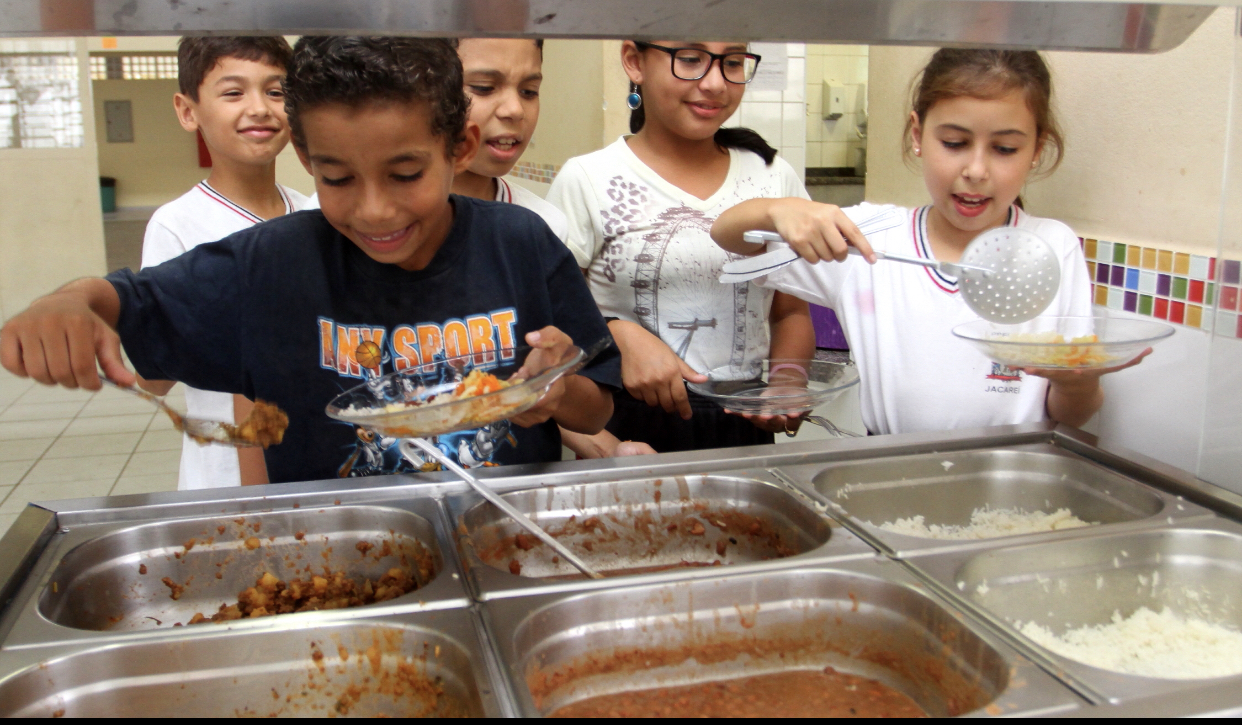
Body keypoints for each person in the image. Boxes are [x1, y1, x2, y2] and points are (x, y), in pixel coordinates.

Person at [0, 37, 619, 483]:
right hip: (335, 555)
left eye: (405, 174)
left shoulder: (522, 242)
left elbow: (601, 403)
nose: (374, 211)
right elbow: (124, 299)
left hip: (502, 541)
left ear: (458, 146)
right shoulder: (272, 264)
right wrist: (67, 303)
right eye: (337, 177)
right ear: (304, 154)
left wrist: (555, 393)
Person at [711, 49, 1147, 436]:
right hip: (891, 474)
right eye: (954, 142)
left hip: (1015, 480)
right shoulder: (869, 239)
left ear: (1037, 149)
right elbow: (728, 238)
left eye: (1005, 149)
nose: (976, 170)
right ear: (917, 135)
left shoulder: (1052, 248)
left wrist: (1079, 382)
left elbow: (1072, 416)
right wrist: (777, 210)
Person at [546, 40, 814, 455]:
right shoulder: (588, 179)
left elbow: (790, 310)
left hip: (743, 428)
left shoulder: (772, 176)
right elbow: (552, 319)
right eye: (690, 59)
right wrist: (617, 333)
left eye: (732, 62)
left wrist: (788, 382)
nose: (714, 83)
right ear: (635, 62)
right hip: (626, 430)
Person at [143, 36, 310, 491]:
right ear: (187, 110)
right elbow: (154, 379)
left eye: (275, 92)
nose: (259, 108)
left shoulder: (316, 213)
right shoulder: (176, 225)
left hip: (312, 455)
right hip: (222, 472)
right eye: (233, 92)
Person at [449, 38, 567, 240]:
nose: (515, 110)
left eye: (529, 91)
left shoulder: (544, 228)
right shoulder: (387, 220)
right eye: (484, 87)